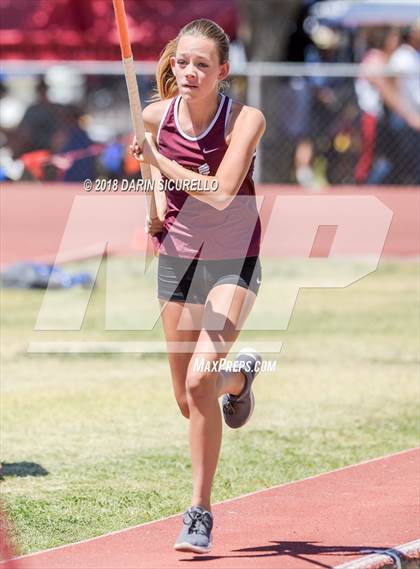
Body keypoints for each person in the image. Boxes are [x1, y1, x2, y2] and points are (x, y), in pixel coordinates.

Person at [129, 19, 265, 554]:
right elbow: (156, 183)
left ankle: (199, 512)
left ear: (222, 72)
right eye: (183, 62)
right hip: (178, 260)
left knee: (196, 382)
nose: (189, 71)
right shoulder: (153, 117)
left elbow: (223, 192)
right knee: (190, 399)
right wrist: (158, 209)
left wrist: (158, 159)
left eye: (202, 64)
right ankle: (240, 379)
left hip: (234, 260)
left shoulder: (245, 119)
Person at [387, 22, 420, 184]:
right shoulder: (402, 56)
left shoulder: (414, 55)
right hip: (403, 117)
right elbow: (392, 88)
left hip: (414, 116)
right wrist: (408, 115)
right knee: (400, 162)